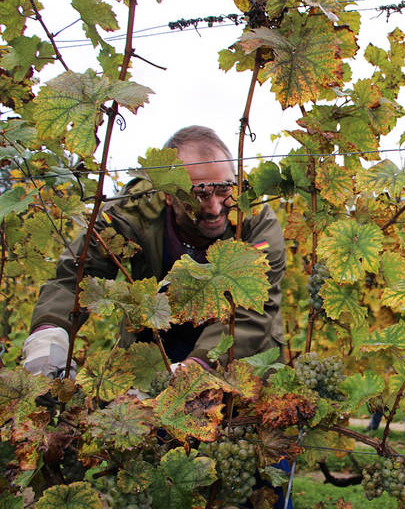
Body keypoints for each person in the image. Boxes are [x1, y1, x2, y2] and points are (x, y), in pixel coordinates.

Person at [23, 125, 286, 375]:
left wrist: (196, 369)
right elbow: (76, 276)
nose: (215, 208)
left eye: (224, 190)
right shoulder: (131, 213)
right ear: (167, 194)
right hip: (151, 353)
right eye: (199, 194)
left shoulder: (255, 221)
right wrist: (49, 335)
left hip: (235, 357)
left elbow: (251, 311)